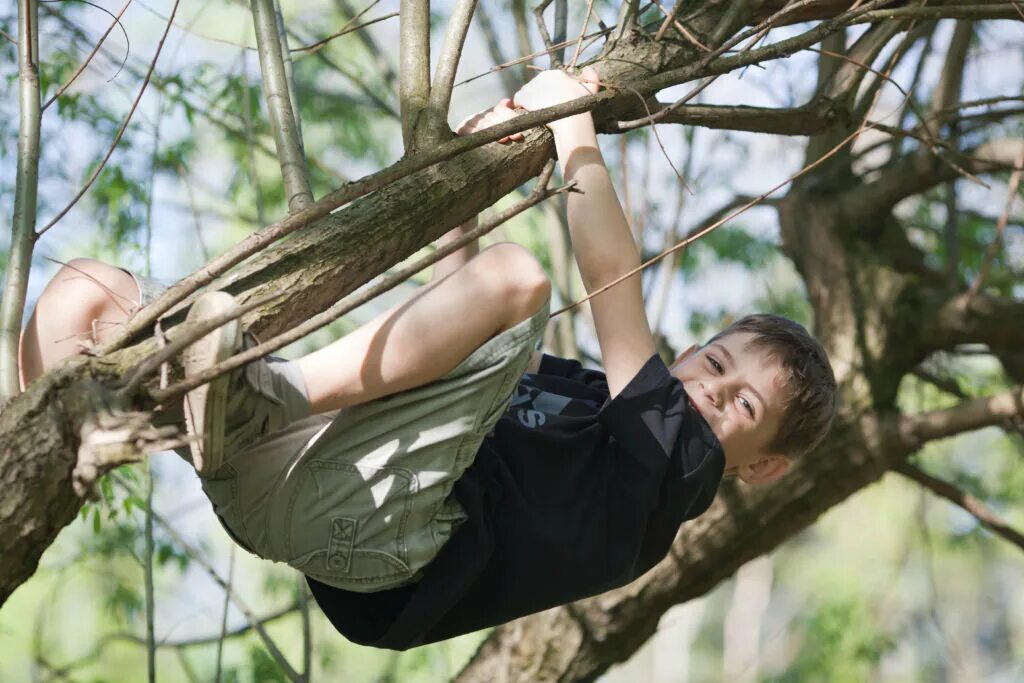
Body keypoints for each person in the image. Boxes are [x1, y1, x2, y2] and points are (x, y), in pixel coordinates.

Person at [19, 68, 836, 650]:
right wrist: (469, 186)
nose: (709, 391)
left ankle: (273, 393)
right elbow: (452, 364)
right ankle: (34, 453)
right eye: (717, 363)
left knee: (522, 279)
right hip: (296, 478)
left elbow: (613, 291)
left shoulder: (671, 478)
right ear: (699, 347)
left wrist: (572, 124)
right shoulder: (587, 399)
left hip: (375, 546)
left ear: (757, 468)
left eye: (741, 408)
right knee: (84, 293)